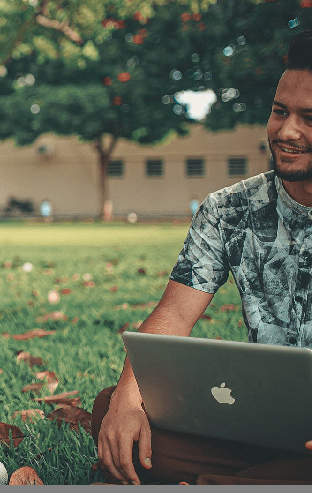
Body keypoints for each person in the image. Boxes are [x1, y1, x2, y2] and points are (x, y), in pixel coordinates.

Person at [92, 29, 312, 486]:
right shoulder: (230, 209)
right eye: (279, 112)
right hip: (264, 423)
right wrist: (129, 399)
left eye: (309, 118)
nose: (286, 131)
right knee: (115, 413)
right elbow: (173, 315)